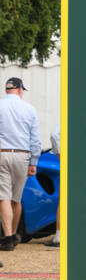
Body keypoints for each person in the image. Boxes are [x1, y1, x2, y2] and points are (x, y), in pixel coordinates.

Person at [0, 78, 40, 252]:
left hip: (2, 154)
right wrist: (34, 162)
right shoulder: (30, 109)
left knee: (4, 197)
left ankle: (7, 237)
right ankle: (14, 235)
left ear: (8, 89)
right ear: (20, 89)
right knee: (16, 198)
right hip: (22, 155)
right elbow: (35, 138)